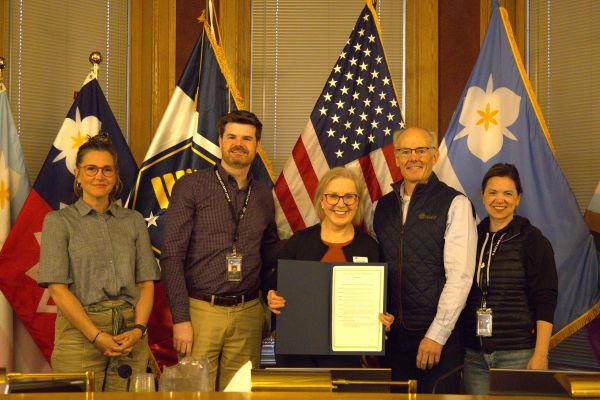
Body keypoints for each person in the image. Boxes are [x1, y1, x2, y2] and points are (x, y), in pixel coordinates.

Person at [161, 110, 279, 391]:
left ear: (256, 145)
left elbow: (270, 249)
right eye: (232, 137)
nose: (239, 144)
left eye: (247, 138)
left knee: (240, 393)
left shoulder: (263, 193)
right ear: (220, 141)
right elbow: (171, 256)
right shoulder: (191, 185)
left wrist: (319, 239)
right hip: (201, 312)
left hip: (248, 313)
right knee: (193, 393)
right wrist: (181, 319)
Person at [38, 133, 160, 392]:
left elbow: (146, 283)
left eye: (107, 169)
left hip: (130, 333)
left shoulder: (133, 221)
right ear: (77, 174)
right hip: (80, 333)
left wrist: (138, 330)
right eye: (91, 169)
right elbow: (57, 288)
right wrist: (96, 335)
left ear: (116, 175)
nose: (99, 176)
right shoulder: (58, 222)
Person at [372, 127, 477, 393]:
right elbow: (373, 271)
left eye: (421, 150)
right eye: (405, 151)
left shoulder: (455, 204)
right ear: (396, 158)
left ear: (435, 156)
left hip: (436, 340)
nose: (413, 157)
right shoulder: (380, 208)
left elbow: (460, 277)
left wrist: (436, 335)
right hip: (392, 339)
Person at [267, 167, 394, 367]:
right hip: (297, 351)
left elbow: (381, 302)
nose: (341, 204)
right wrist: (272, 297)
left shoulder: (370, 248)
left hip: (345, 355)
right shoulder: (299, 242)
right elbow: (273, 287)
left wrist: (383, 320)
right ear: (322, 201)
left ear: (357, 202)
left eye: (349, 197)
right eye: (333, 196)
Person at [462, 163, 558, 394]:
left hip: (518, 355)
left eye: (508, 193)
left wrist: (540, 354)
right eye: (493, 192)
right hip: (475, 356)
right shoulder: (471, 237)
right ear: (483, 196)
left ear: (518, 198)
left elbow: (546, 298)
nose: (499, 199)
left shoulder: (533, 240)